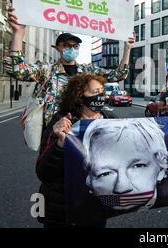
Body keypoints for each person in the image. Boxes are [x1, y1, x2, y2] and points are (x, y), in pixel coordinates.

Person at [7, 8, 135, 127]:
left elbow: (120, 75)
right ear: (58, 48)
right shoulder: (46, 70)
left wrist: (127, 49)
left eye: (75, 46)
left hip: (81, 129)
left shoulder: (88, 71)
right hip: (53, 132)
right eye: (67, 45)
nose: (71, 49)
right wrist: (18, 33)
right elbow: (19, 70)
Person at [36, 73, 116, 228]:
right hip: (63, 210)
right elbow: (43, 172)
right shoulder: (61, 122)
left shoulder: (110, 119)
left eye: (102, 92)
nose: (100, 96)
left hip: (95, 208)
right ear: (80, 96)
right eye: (94, 92)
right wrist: (60, 144)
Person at [82, 118, 168, 211]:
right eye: (105, 173)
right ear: (89, 181)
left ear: (161, 170)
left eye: (137, 166)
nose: (121, 188)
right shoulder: (83, 215)